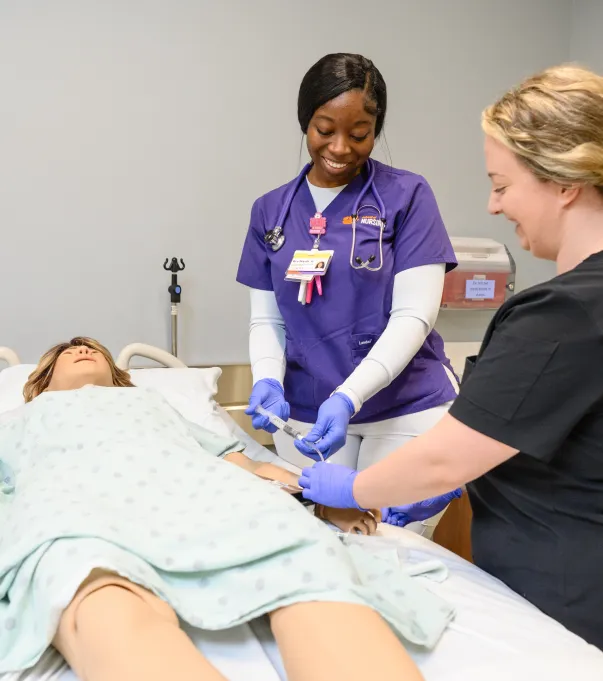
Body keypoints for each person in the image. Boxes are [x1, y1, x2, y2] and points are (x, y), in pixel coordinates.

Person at [299, 64, 603, 649]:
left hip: (566, 601)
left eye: (502, 183)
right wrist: (473, 480)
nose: (493, 206)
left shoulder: (564, 317)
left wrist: (354, 489)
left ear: (563, 183)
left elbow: (443, 459)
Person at [0, 337, 454, 681]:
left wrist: (328, 497)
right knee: (90, 587)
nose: (81, 347)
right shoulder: (19, 420)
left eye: (91, 347)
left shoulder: (146, 401)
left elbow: (240, 463)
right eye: (69, 349)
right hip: (76, 504)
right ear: (41, 377)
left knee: (302, 557)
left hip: (198, 493)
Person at [236, 53, 460, 537]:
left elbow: (413, 317)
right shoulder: (270, 211)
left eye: (359, 134)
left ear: (376, 129)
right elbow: (267, 321)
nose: (340, 147)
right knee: (323, 545)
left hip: (404, 408)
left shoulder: (406, 197)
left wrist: (348, 396)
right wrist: (268, 380)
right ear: (305, 122)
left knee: (394, 545)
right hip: (307, 414)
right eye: (324, 129)